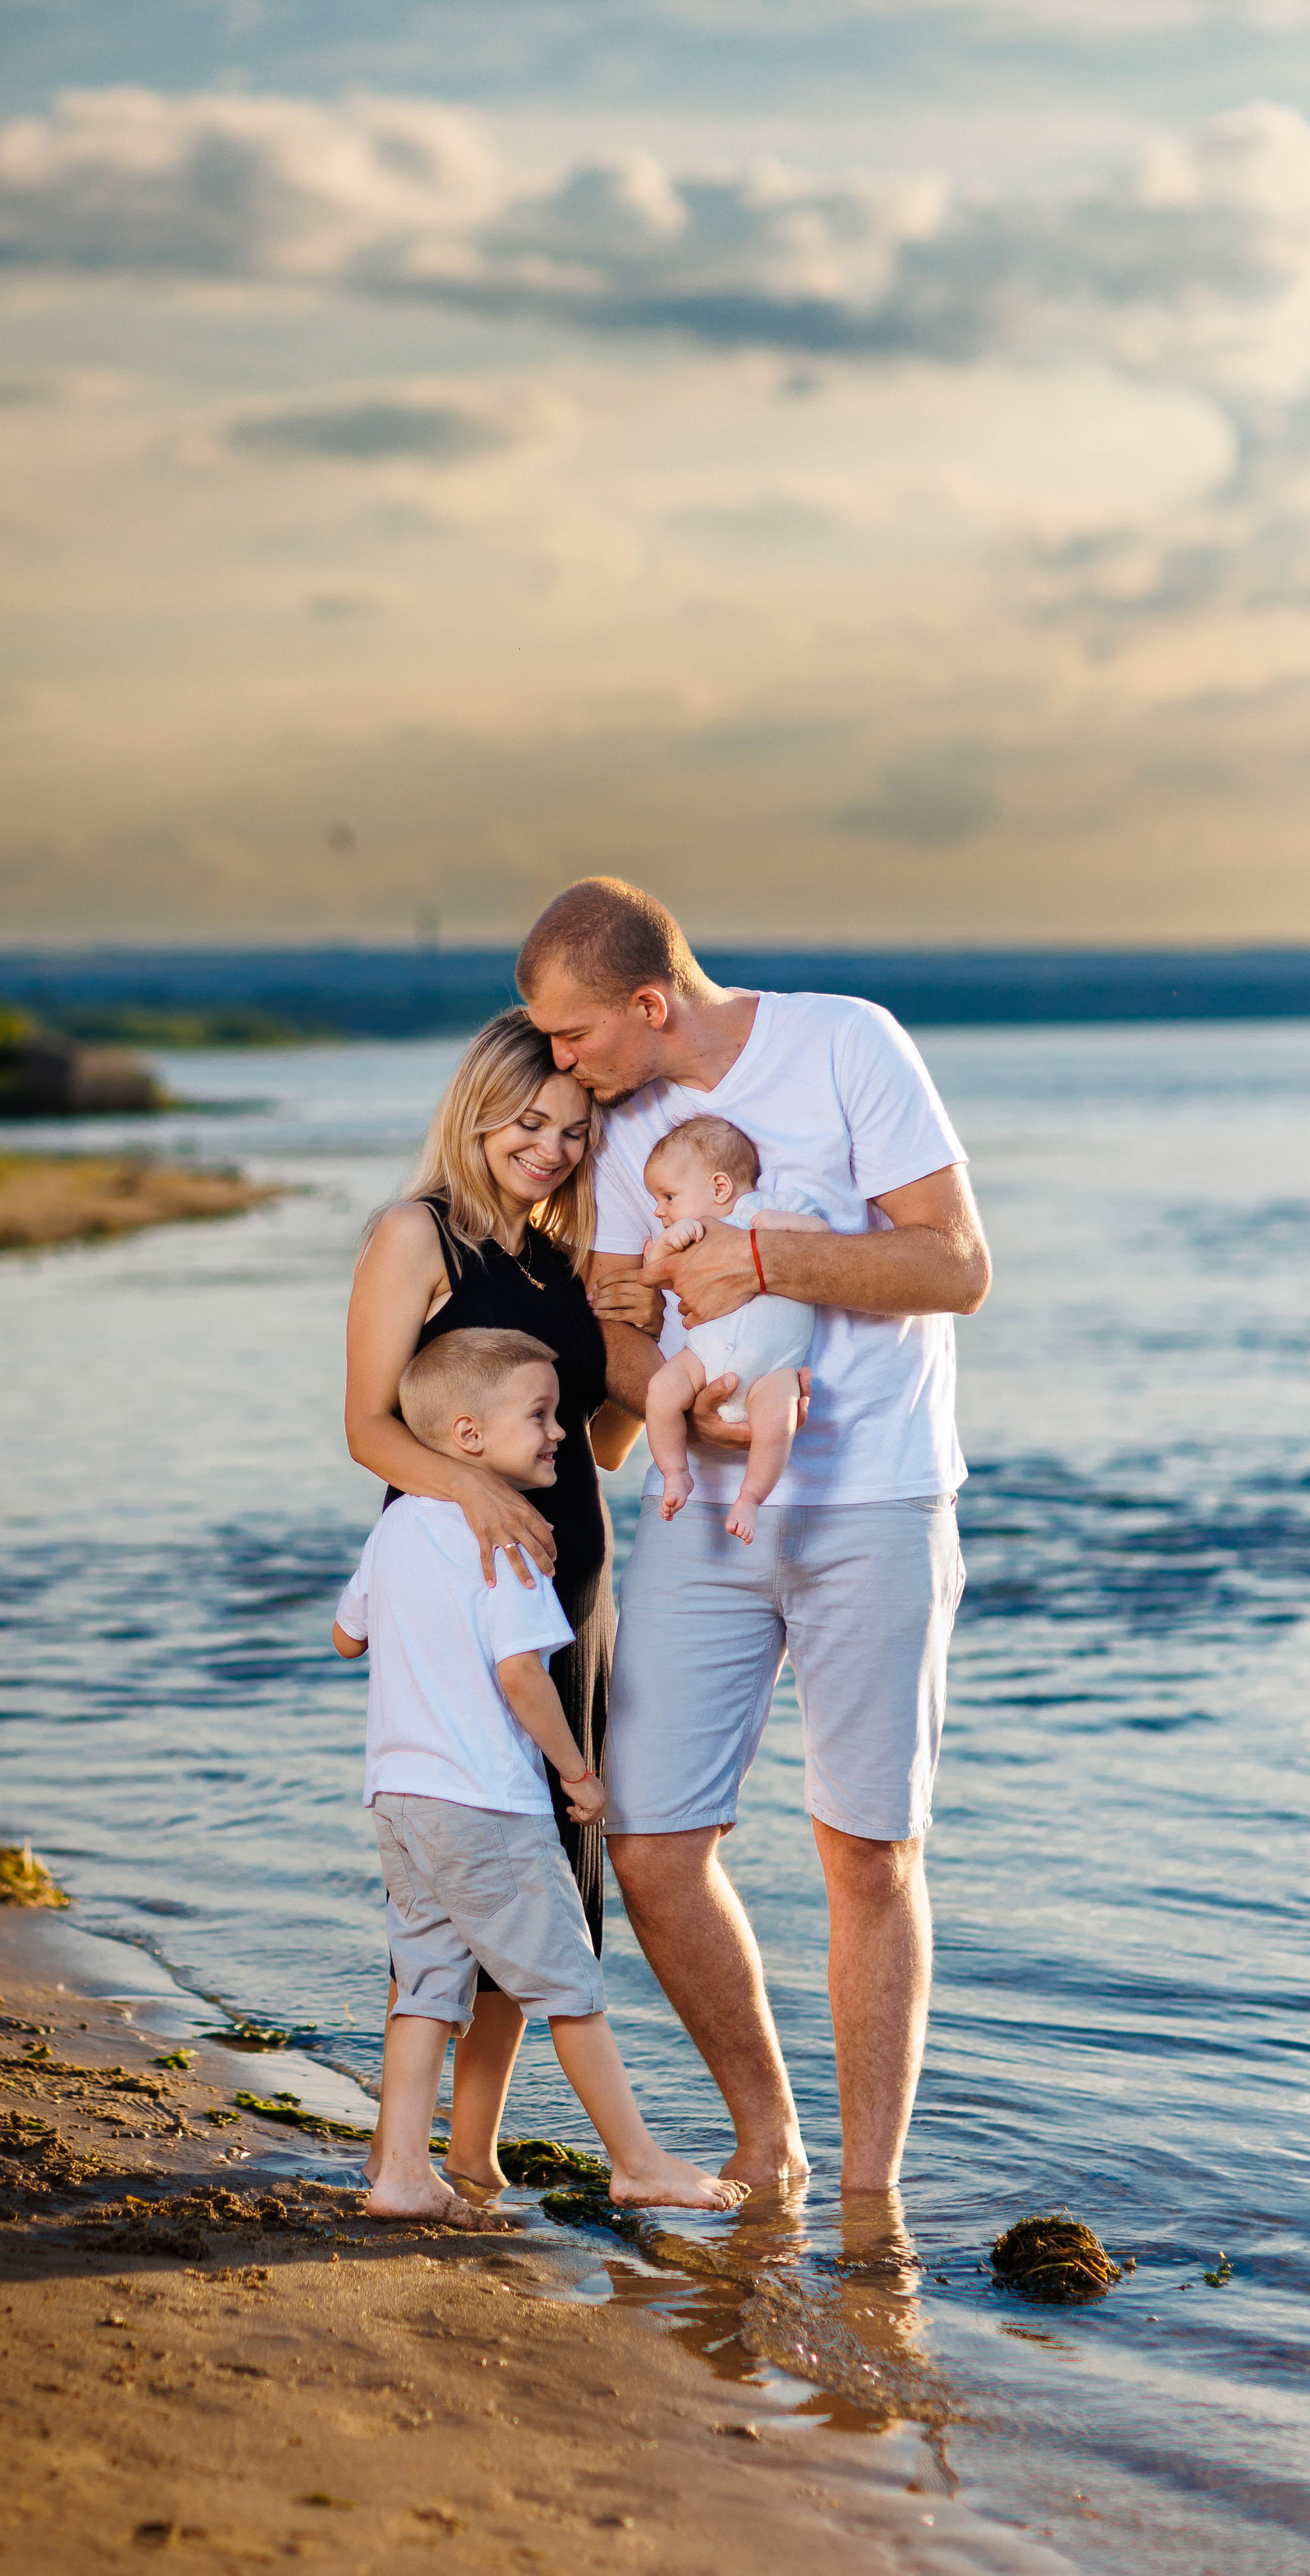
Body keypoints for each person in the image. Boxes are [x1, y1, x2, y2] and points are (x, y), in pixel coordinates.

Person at [517, 877, 992, 2199]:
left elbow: (952, 1265)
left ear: (647, 1004)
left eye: (569, 1036)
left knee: (866, 1853)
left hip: (873, 1502)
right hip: (699, 1523)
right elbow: (616, 1330)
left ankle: (865, 2195)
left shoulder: (848, 1046)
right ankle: (766, 2142)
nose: (560, 1064)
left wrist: (767, 1262)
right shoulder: (615, 1133)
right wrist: (680, 1411)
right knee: (653, 1847)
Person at [333, 1324, 745, 2227]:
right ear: (470, 1436)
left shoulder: (398, 1523)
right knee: (570, 1987)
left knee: (429, 1988)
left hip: (400, 1797)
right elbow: (524, 1675)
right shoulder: (511, 1544)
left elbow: (346, 1634)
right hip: (487, 1803)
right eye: (542, 1414)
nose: (562, 1432)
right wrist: (579, 1773)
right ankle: (636, 2161)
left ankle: (401, 2169)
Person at [343, 1007, 645, 2194]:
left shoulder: (556, 1262)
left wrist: (641, 1341)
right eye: (530, 1122)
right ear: (476, 1112)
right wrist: (474, 1489)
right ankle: (403, 2153)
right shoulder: (415, 1236)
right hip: (466, 1591)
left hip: (570, 1594)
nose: (551, 1148)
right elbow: (367, 1427)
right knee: (468, 1860)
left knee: (551, 1879)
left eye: (574, 1132)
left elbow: (600, 1445)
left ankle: (471, 2158)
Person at [638, 1115, 822, 1544]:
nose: (658, 1210)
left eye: (668, 1196)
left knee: (779, 1419)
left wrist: (779, 1228)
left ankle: (751, 1499)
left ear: (720, 1188)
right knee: (662, 1390)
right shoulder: (686, 1236)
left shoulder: (778, 1208)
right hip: (702, 1359)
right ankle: (675, 1472)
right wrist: (668, 1243)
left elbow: (823, 1237)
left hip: (773, 1369)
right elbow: (653, 1272)